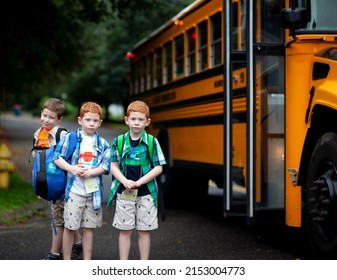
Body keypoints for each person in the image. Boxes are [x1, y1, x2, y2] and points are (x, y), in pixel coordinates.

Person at [107, 100, 167, 260]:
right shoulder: (118, 142)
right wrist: (124, 181)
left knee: (144, 230)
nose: (136, 123)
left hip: (146, 193)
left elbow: (158, 167)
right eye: (133, 119)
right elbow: (113, 166)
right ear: (126, 120)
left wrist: (139, 182)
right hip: (124, 191)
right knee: (125, 230)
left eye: (141, 120)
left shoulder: (152, 142)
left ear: (147, 122)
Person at [53, 101, 110, 260]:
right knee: (70, 227)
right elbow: (57, 158)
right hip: (74, 192)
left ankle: (87, 262)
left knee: (89, 228)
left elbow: (106, 166)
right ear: (80, 120)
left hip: (93, 194)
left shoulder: (102, 143)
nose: (91, 124)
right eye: (88, 120)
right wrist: (72, 169)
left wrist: (91, 172)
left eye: (95, 121)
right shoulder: (71, 138)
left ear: (100, 122)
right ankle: (67, 260)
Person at [32, 98, 82, 260]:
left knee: (60, 218)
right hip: (49, 184)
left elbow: (71, 159)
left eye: (51, 117)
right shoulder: (38, 134)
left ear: (59, 119)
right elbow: (38, 164)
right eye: (44, 115)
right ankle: (78, 244)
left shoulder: (62, 135)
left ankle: (55, 253)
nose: (46, 120)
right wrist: (41, 187)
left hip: (64, 185)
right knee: (64, 217)